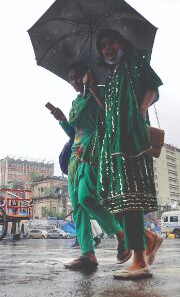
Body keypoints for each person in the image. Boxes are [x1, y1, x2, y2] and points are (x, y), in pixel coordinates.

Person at [86, 28, 164, 280]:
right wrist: (93, 90)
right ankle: (148, 239)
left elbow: (153, 85)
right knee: (116, 197)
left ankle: (140, 260)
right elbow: (108, 109)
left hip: (132, 139)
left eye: (111, 43)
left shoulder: (135, 62)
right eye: (103, 46)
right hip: (114, 144)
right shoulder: (111, 77)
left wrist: (141, 110)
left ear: (122, 43)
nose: (107, 48)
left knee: (131, 198)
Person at [49, 61, 130, 271]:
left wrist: (93, 88)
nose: (74, 82)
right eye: (71, 79)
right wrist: (62, 119)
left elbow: (109, 119)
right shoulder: (76, 103)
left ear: (87, 74)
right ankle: (88, 254)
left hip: (93, 155)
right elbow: (75, 133)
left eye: (77, 76)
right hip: (75, 159)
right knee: (78, 208)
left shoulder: (99, 94)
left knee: (87, 197)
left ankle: (121, 234)